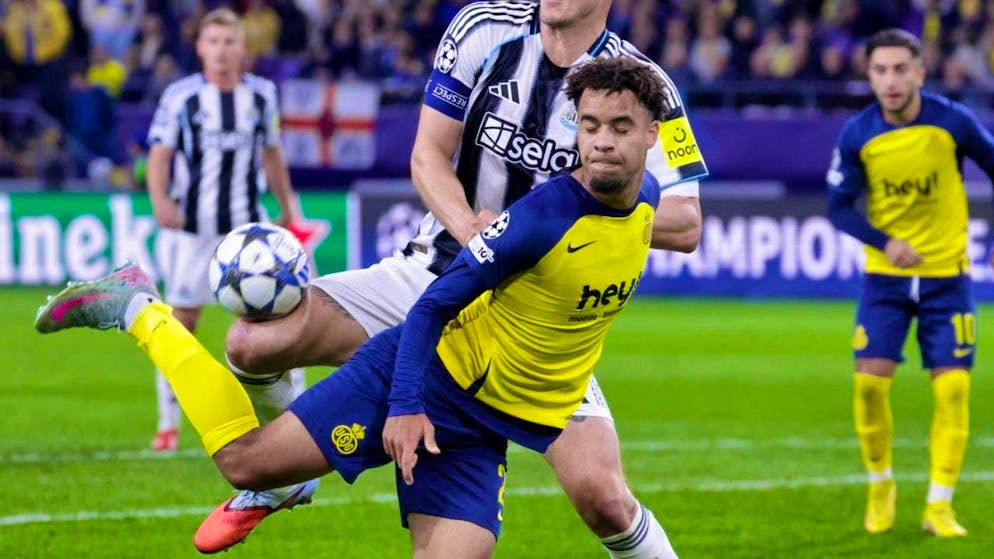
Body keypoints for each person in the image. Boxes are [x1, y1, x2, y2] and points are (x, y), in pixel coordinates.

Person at [35, 56, 678, 559]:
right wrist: (404, 406)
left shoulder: (645, 197)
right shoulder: (541, 218)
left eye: (619, 128)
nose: (600, 143)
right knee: (244, 464)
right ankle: (139, 310)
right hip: (427, 378)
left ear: (652, 135)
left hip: (486, 425)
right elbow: (430, 309)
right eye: (589, 126)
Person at [201, 0, 706, 555]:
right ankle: (289, 480)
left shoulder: (640, 83)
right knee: (252, 343)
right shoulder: (481, 28)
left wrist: (558, 220)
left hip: (531, 318)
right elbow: (427, 155)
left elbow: (686, 223)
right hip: (433, 269)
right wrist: (473, 231)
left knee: (603, 498)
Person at [827, 28, 994, 538]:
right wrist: (884, 241)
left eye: (902, 69)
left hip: (947, 278)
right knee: (870, 386)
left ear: (920, 71)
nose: (891, 80)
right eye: (881, 70)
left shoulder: (953, 122)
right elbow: (838, 207)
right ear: (870, 75)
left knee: (954, 390)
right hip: (887, 282)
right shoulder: (858, 134)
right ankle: (881, 486)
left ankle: (939, 506)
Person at [145, 8, 300, 452]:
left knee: (273, 318)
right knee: (181, 322)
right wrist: (159, 200)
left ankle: (292, 412)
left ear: (242, 48)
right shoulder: (181, 97)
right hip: (192, 228)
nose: (221, 50)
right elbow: (159, 153)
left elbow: (272, 154)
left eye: (229, 42)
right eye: (212, 42)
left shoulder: (262, 96)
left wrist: (288, 206)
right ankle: (168, 423)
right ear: (200, 48)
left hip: (246, 230)